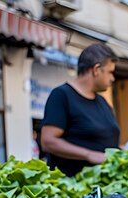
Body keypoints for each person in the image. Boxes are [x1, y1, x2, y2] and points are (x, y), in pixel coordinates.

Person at [40, 43, 120, 176]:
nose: (113, 78)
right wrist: (89, 155)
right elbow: (48, 141)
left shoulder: (103, 102)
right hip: (73, 188)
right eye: (110, 72)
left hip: (104, 185)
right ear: (96, 69)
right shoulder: (62, 96)